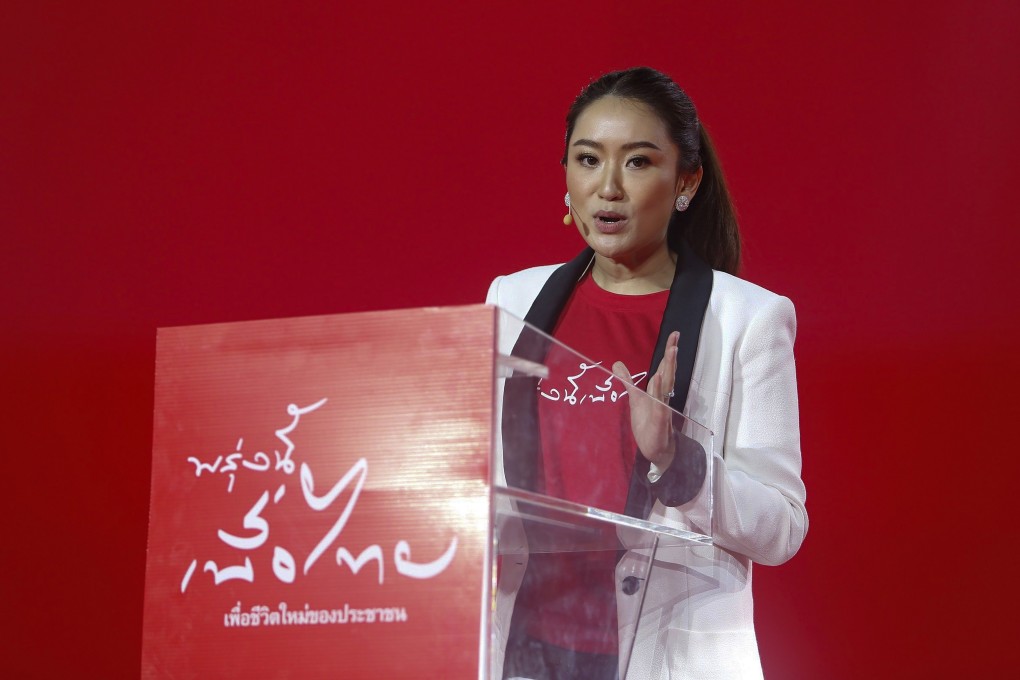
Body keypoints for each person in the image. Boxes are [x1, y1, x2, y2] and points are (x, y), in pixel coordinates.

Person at [486, 66, 808, 680]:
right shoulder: (510, 300)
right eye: (587, 160)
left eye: (637, 163)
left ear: (685, 182)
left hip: (665, 656)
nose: (608, 187)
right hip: (523, 647)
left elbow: (782, 528)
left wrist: (675, 459)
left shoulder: (749, 319)